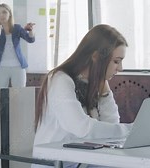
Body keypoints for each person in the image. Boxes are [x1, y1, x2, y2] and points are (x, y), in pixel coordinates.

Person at [32, 24, 132, 168]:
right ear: (96, 57)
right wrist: (130, 130)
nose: (120, 68)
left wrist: (105, 93)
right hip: (56, 163)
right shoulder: (59, 79)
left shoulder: (96, 82)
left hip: (82, 161)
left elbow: (111, 128)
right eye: (116, 61)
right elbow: (82, 129)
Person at [0, 3, 35, 148]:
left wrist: (31, 31)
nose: (1, 16)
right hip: (1, 68)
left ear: (9, 14)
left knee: (19, 103)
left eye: (3, 12)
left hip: (18, 68)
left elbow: (30, 39)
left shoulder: (17, 28)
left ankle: (20, 141)